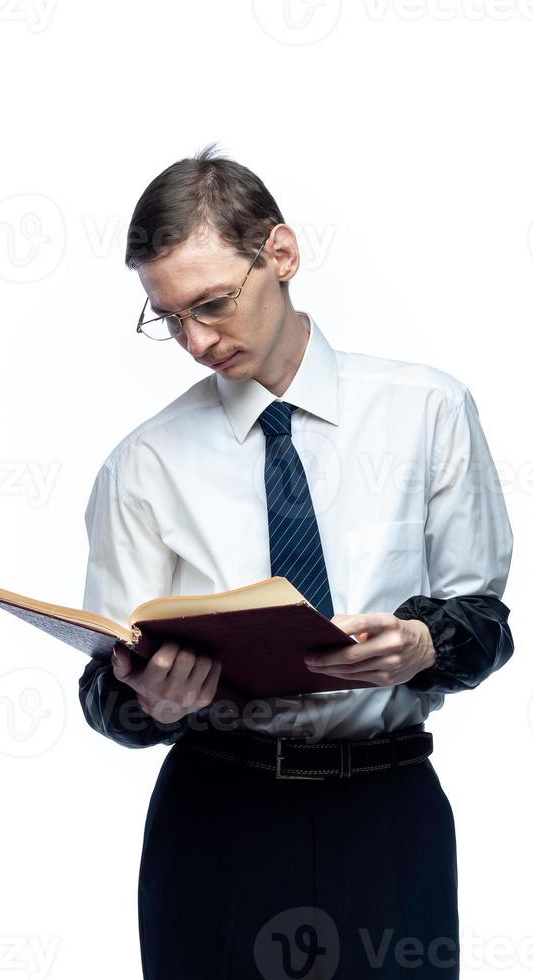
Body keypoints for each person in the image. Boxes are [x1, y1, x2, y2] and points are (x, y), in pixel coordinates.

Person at [78, 144, 514, 979]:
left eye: (211, 304)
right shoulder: (144, 463)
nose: (196, 341)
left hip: (386, 812)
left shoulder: (427, 410)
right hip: (217, 820)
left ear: (279, 254)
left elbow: (485, 628)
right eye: (169, 319)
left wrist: (422, 646)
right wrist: (149, 699)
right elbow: (106, 692)